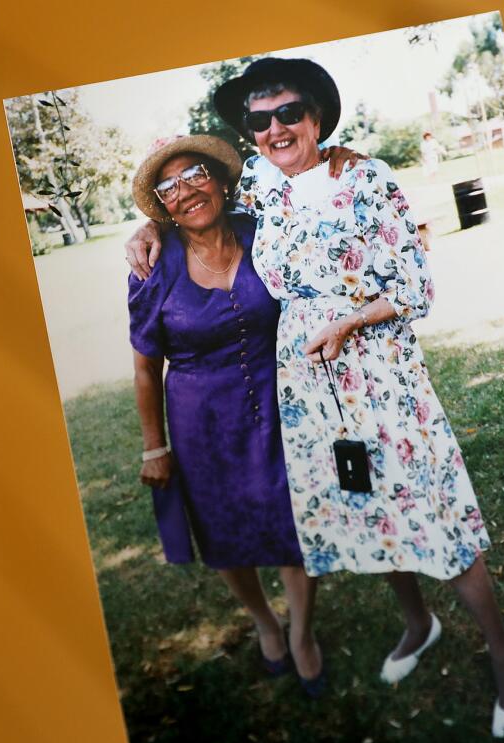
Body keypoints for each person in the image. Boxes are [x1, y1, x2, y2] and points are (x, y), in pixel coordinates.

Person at [129, 58, 504, 738]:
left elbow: (415, 289)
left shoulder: (367, 179)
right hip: (313, 396)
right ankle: (417, 624)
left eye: (289, 113)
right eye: (260, 121)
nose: (276, 128)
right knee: (367, 511)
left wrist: (349, 321)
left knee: (434, 512)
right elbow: (196, 213)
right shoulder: (261, 194)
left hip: (381, 383)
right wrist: (149, 232)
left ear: (317, 115)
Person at [126, 134, 326, 693]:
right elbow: (145, 368)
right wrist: (154, 445)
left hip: (280, 404)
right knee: (224, 534)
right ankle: (265, 622)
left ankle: (303, 633)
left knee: (294, 523)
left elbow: (313, 183)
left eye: (194, 175)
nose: (185, 191)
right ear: (162, 207)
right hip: (200, 423)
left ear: (219, 179)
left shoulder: (265, 232)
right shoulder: (151, 265)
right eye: (168, 186)